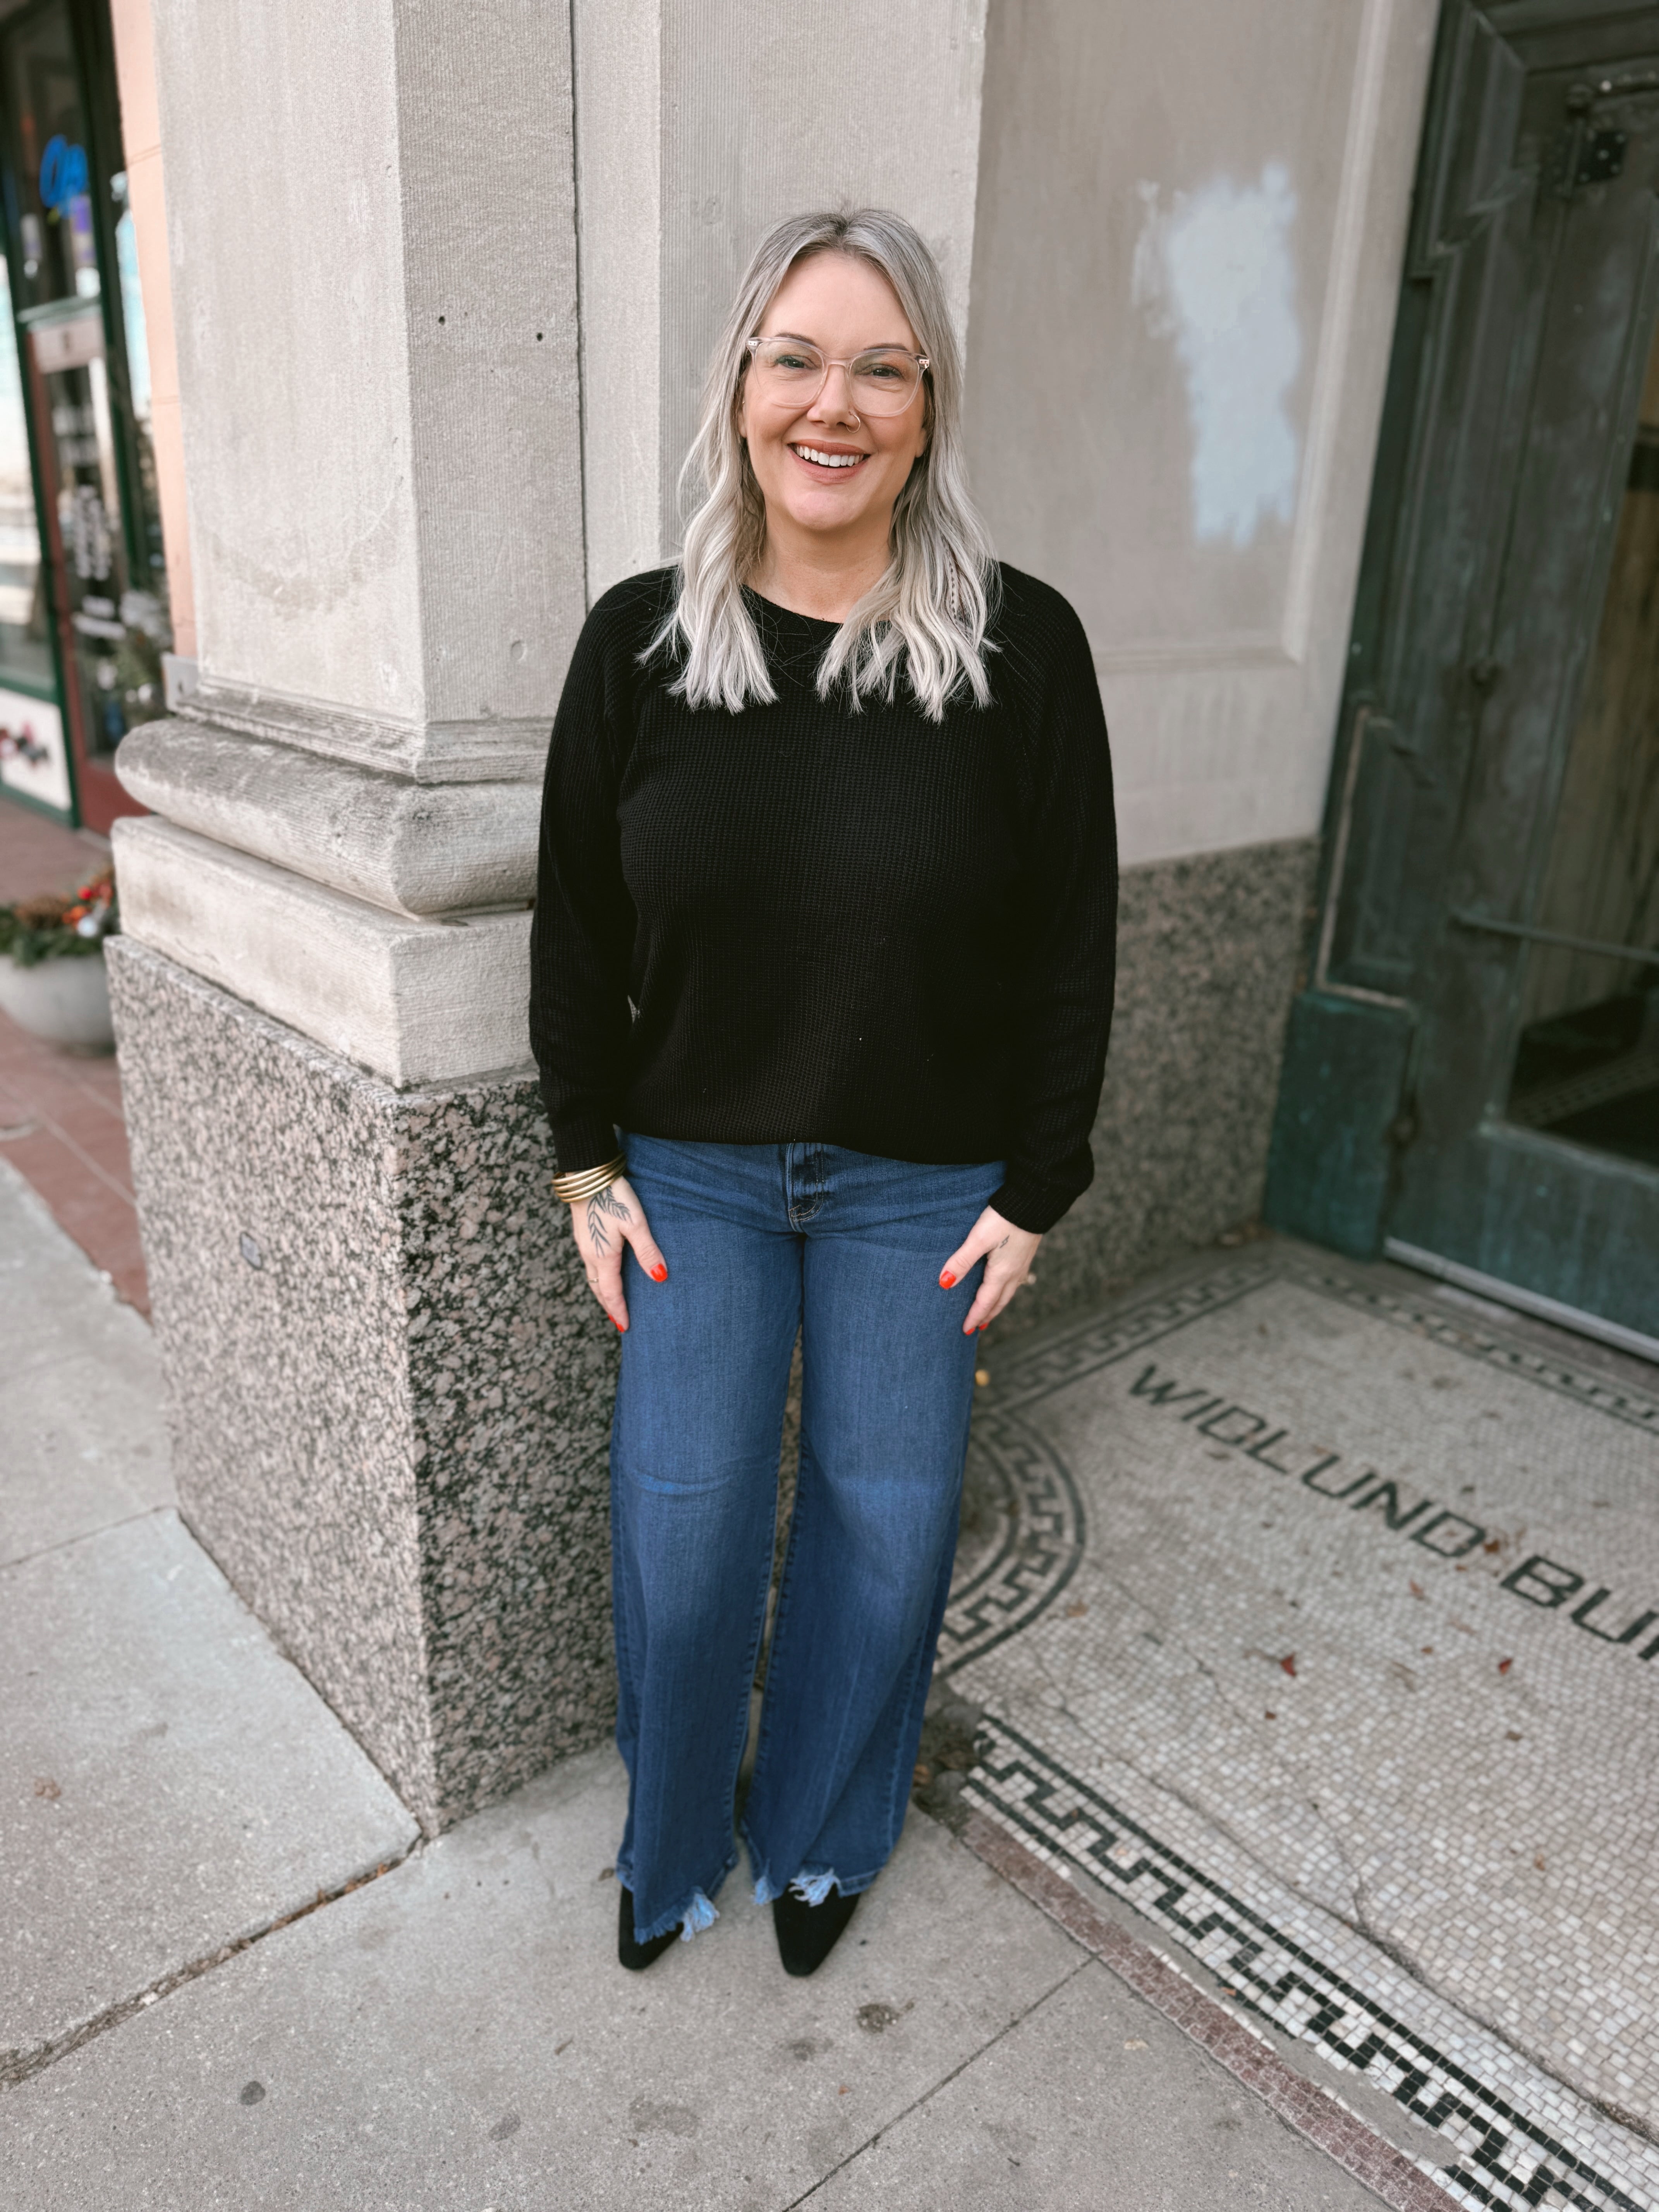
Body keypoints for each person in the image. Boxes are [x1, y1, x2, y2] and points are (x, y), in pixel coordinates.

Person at [529, 207, 1116, 1977]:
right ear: (741, 393)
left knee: (885, 1532)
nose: (831, 403)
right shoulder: (642, 643)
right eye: (795, 358)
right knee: (687, 1539)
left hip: (922, 1192)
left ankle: (822, 1838)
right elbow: (571, 917)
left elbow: (1072, 935)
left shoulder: (1024, 651)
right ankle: (674, 1842)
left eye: (879, 365)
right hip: (692, 1174)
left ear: (928, 406)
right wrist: (582, 1162)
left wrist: (1038, 1187)